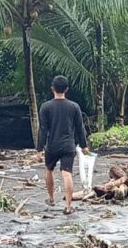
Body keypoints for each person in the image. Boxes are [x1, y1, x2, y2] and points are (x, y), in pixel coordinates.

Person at [37, 75, 90, 214]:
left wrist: (39, 148)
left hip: (52, 145)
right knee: (67, 174)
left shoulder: (45, 107)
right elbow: (80, 128)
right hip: (68, 145)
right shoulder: (74, 106)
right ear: (66, 89)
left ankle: (51, 198)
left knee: (49, 170)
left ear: (52, 89)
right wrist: (84, 146)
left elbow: (43, 129)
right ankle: (68, 206)